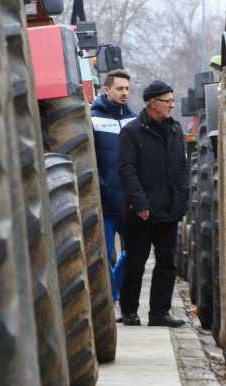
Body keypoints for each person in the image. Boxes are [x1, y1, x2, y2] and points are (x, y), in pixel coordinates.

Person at [117, 80, 189, 328]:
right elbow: (127, 170)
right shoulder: (131, 132)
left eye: (172, 100)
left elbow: (181, 166)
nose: (171, 104)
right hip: (142, 212)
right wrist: (139, 202)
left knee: (167, 263)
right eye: (167, 100)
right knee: (135, 263)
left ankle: (159, 313)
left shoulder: (175, 129)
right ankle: (129, 311)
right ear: (152, 103)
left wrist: (182, 198)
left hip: (168, 211)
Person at [90, 69, 136, 302]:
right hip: (105, 204)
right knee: (104, 256)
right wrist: (101, 187)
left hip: (130, 203)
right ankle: (109, 300)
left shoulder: (134, 120)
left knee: (135, 253)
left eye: (127, 88)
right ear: (106, 90)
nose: (124, 93)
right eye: (119, 88)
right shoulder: (92, 120)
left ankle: (114, 292)